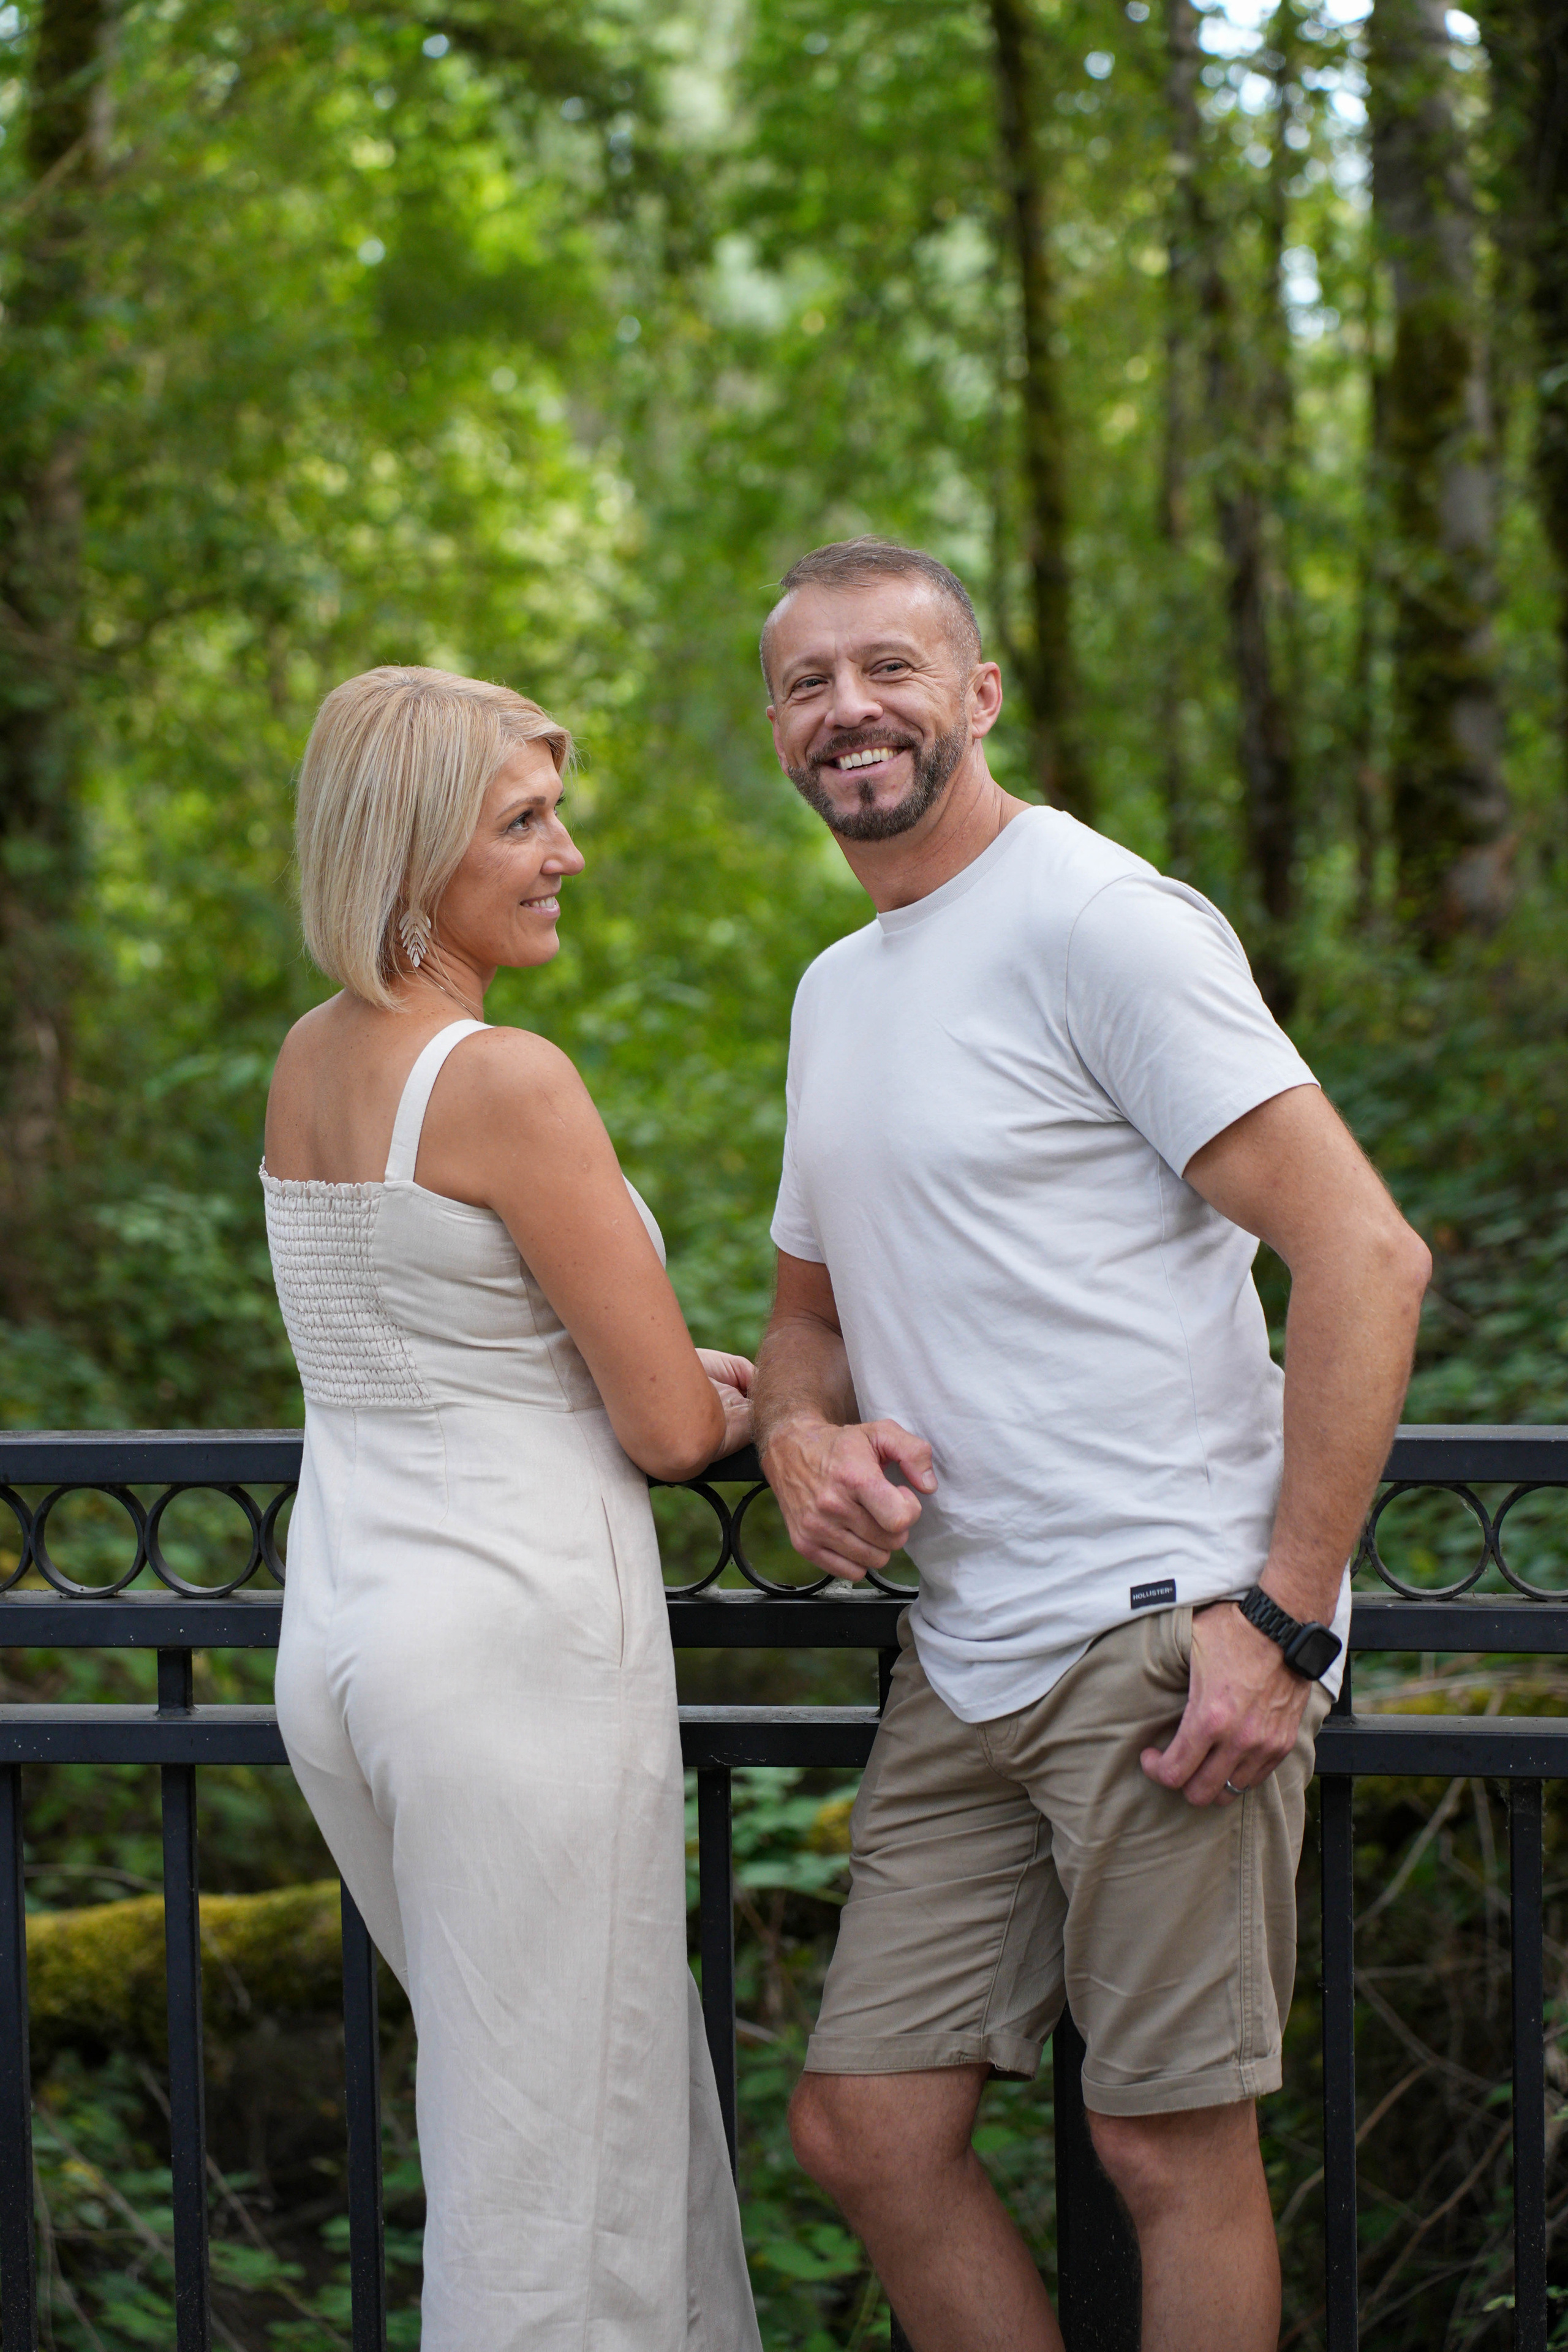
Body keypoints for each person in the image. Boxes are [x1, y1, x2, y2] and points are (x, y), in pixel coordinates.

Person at [750, 540, 1431, 2352]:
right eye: (808, 685)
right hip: (962, 1654)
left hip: (1160, 1635)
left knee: (1160, 2143)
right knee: (867, 2128)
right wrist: (799, 1447)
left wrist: (1282, 1621)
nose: (850, 711)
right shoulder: (839, 991)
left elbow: (1364, 1252)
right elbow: (804, 1328)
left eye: (891, 669)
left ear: (979, 699)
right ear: (778, 731)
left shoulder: (1099, 920)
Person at [261, 665, 762, 2352]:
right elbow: (671, 1429)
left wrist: (636, 1355)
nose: (569, 853)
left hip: (347, 1638)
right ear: (410, 856)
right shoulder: (506, 1079)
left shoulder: (309, 1060)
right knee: (559, 2170)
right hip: (512, 1658)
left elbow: (433, 1326)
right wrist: (720, 1395)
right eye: (526, 822)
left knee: (527, 2123)